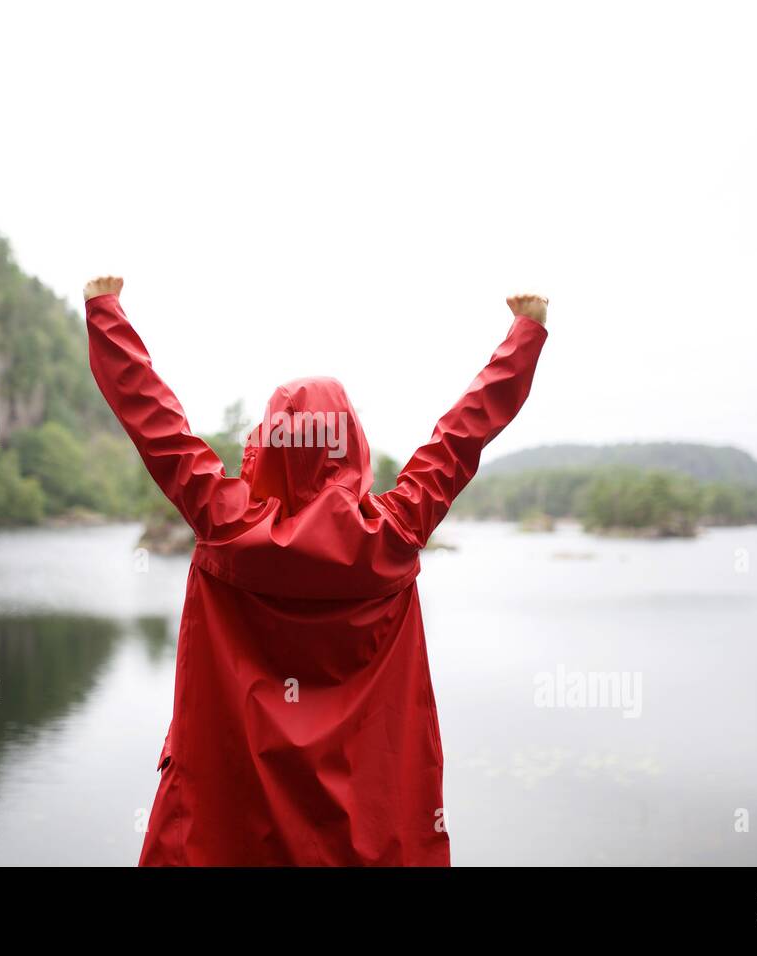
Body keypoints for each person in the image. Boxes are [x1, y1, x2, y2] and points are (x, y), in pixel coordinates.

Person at [84, 275, 549, 865]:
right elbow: (462, 434)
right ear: (351, 441)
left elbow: (156, 425)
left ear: (270, 444)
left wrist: (106, 315)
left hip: (230, 835)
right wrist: (524, 333)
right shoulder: (396, 530)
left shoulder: (227, 525)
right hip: (367, 838)